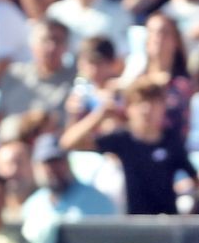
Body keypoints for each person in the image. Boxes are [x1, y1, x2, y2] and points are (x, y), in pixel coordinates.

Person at [62, 76, 196, 214]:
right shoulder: (122, 139)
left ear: (163, 106)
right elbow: (69, 143)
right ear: (128, 108)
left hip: (168, 224)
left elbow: (193, 177)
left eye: (153, 101)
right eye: (140, 102)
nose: (146, 109)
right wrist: (99, 115)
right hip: (134, 225)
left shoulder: (171, 141)